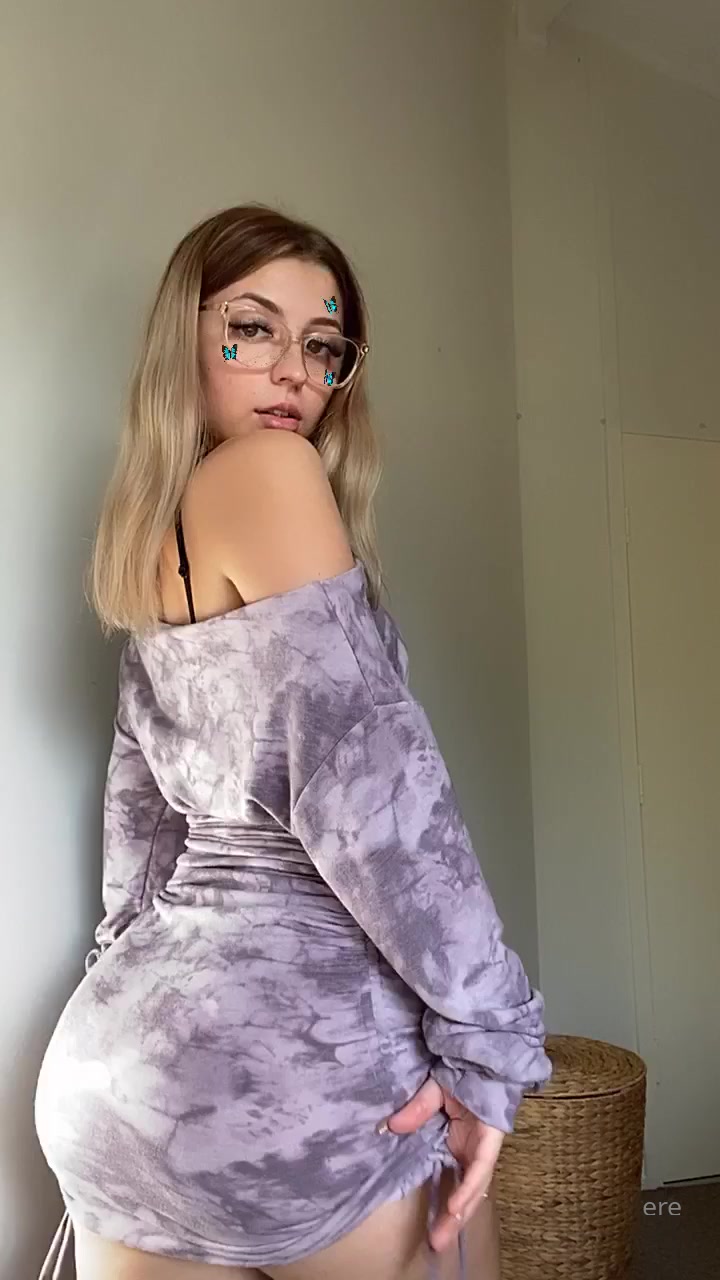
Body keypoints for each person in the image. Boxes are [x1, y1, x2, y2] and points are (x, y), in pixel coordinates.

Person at [34, 203, 553, 1280]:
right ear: (184, 338)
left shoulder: (152, 541)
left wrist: (141, 1015)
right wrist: (492, 1041)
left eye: (322, 346)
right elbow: (383, 800)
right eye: (251, 328)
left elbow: (139, 842)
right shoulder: (272, 473)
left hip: (111, 1075)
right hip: (294, 1075)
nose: (293, 372)